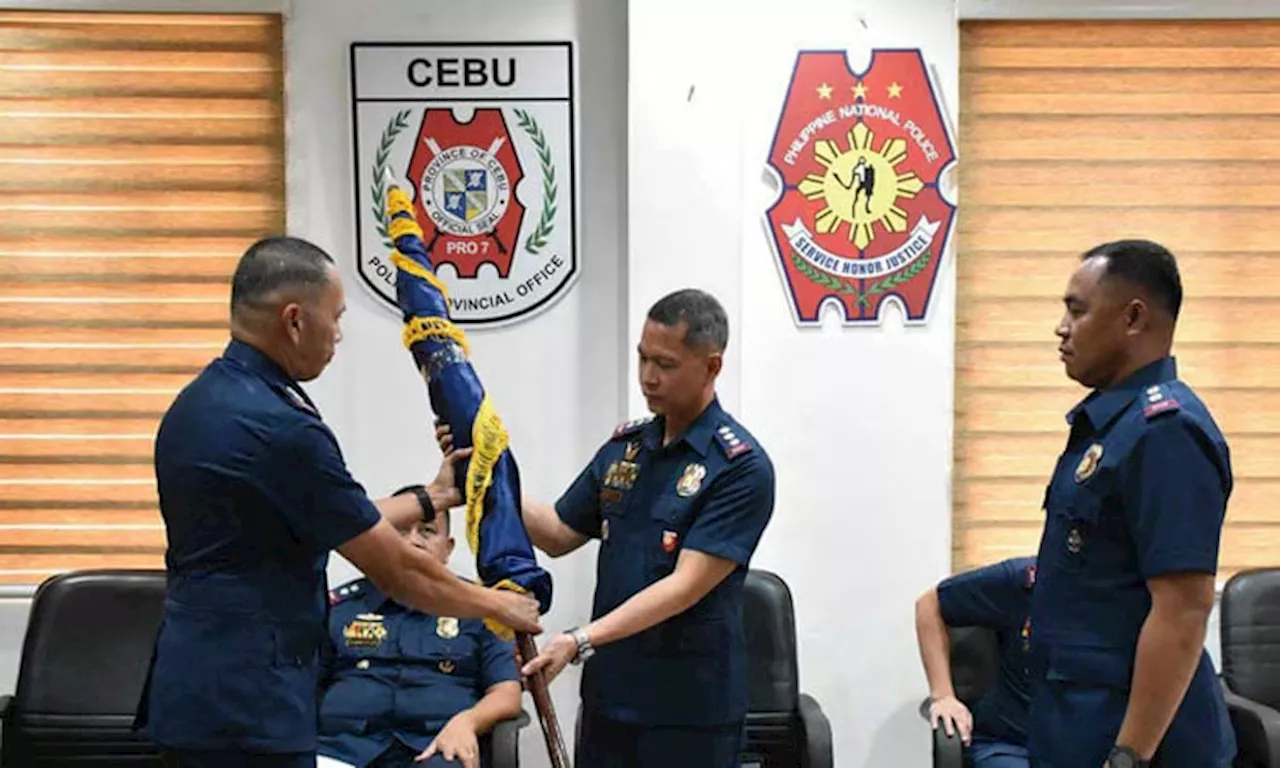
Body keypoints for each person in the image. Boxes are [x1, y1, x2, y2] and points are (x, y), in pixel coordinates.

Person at [139, 236, 541, 768]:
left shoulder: (202, 403)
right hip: (249, 703)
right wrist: (499, 605)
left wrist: (433, 497)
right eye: (335, 317)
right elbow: (399, 570)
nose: (339, 335)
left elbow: (321, 514)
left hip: (198, 686)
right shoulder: (279, 426)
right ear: (294, 320)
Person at [441, 288, 775, 767]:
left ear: (712, 366)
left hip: (688, 712)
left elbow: (682, 588)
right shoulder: (627, 447)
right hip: (611, 700)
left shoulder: (739, 468)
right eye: (642, 358)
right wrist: (487, 477)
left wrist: (579, 640)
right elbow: (557, 532)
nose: (647, 377)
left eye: (665, 364)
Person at [1030, 239, 1235, 768]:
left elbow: (1184, 608)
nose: (1061, 327)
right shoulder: (1110, 429)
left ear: (1133, 318)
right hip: (1078, 723)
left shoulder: (1166, 433)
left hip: (1136, 743)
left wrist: (1129, 756)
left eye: (1077, 309)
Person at [316, 485, 521, 768]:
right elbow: (300, 686)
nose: (413, 542)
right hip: (343, 751)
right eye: (400, 530)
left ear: (447, 548)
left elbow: (506, 693)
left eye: (427, 531)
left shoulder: (483, 608)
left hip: (436, 750)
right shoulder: (337, 607)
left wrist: (468, 722)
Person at [915, 557, 1037, 767]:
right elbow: (929, 604)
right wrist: (943, 695)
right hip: (1010, 745)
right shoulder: (1025, 578)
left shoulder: (1109, 598)